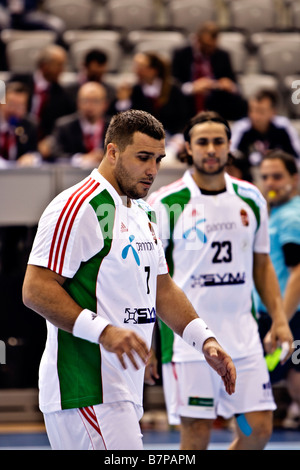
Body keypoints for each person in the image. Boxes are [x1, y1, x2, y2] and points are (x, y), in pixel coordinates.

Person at [22, 109, 236, 450]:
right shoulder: (79, 206)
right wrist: (104, 332)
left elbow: (162, 287)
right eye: (142, 158)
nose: (153, 170)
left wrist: (204, 340)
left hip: (121, 387)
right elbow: (35, 289)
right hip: (86, 387)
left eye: (158, 159)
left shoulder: (144, 211)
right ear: (112, 152)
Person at [147, 110, 293, 450]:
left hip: (243, 336)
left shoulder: (251, 197)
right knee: (197, 435)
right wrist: (151, 344)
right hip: (188, 342)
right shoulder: (165, 203)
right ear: (188, 148)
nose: (211, 149)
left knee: (257, 430)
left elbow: (262, 267)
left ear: (229, 146)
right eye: (202, 142)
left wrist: (280, 320)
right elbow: (152, 280)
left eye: (218, 142)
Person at [256, 150, 300, 427]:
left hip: (286, 315)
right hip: (273, 315)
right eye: (265, 177)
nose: (270, 183)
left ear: (294, 179)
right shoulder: (275, 213)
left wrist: (281, 320)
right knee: (290, 374)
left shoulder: (291, 217)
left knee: (292, 376)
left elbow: (298, 271)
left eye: (277, 176)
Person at [171, 21, 247, 121]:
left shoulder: (222, 55)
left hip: (215, 100)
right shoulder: (181, 54)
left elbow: (234, 83)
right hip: (188, 102)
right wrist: (192, 87)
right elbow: (173, 84)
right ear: (197, 40)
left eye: (213, 46)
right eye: (207, 45)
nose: (210, 49)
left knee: (241, 103)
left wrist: (229, 86)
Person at [11, 44, 75, 159]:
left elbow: (65, 124)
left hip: (43, 148)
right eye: (59, 65)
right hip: (14, 135)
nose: (62, 70)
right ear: (44, 66)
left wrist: (51, 140)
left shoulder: (63, 95)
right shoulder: (19, 79)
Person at [111, 51, 189, 138]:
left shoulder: (172, 89)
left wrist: (178, 136)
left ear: (153, 70)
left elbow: (182, 116)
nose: (137, 71)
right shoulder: (134, 90)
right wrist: (124, 100)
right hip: (141, 138)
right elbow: (123, 119)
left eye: (141, 67)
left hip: (171, 136)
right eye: (136, 67)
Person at [231, 89, 300, 173]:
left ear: (273, 112)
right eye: (252, 110)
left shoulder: (284, 127)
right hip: (249, 176)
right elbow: (232, 157)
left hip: (278, 175)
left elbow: (297, 157)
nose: (255, 116)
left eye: (261, 111)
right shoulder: (241, 128)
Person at [51, 82, 110, 167]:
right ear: (78, 103)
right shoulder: (64, 127)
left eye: (95, 101)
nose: (90, 106)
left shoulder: (114, 127)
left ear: (105, 104)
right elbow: (55, 155)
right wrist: (80, 159)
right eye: (85, 101)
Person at [0, 81, 39, 166]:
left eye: (20, 106)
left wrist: (31, 157)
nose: (15, 110)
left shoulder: (29, 125)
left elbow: (35, 152)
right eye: (11, 104)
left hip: (16, 175)